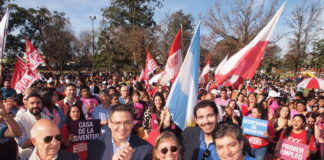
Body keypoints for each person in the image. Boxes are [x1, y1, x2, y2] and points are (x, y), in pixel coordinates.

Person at [87, 104, 152, 160]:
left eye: (127, 122)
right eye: (117, 123)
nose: (122, 127)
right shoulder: (95, 146)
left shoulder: (146, 149)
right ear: (109, 123)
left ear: (132, 123)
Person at [14, 93, 50, 159]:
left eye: (38, 103)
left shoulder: (46, 118)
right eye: (32, 103)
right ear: (26, 105)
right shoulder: (19, 120)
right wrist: (42, 136)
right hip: (27, 157)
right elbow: (23, 144)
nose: (35, 105)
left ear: (42, 104)